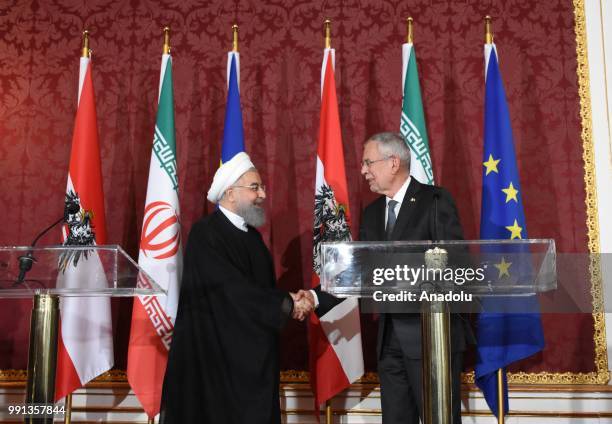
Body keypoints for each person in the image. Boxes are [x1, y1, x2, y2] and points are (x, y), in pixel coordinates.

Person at [159, 152, 313, 424]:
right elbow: (231, 290)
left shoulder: (253, 238)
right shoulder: (206, 234)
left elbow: (256, 292)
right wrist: (286, 304)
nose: (263, 194)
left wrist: (287, 304)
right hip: (216, 364)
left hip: (254, 362)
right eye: (255, 187)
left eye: (262, 187)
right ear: (230, 193)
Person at [359, 132, 471, 423]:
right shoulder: (371, 214)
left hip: (432, 336)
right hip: (389, 340)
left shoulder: (434, 200)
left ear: (393, 162)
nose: (364, 171)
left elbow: (457, 267)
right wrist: (315, 298)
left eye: (368, 162)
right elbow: (360, 272)